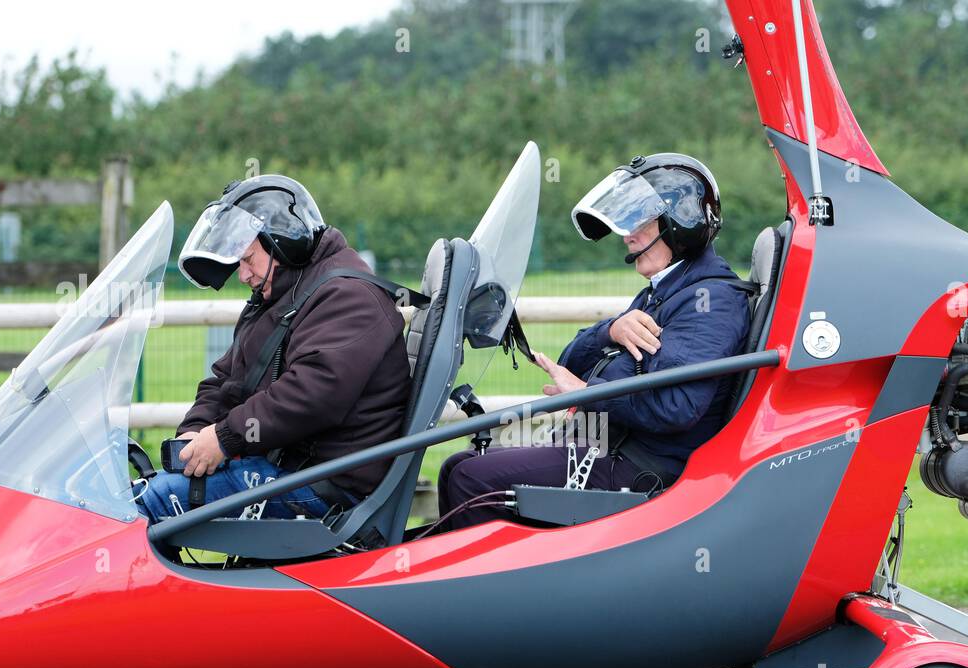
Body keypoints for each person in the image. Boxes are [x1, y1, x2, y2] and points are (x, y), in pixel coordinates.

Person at [435, 152, 751, 531]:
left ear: (681, 222)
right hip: (608, 446)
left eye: (642, 221)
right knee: (457, 465)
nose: (627, 234)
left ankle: (485, 586)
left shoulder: (710, 302)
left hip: (641, 468)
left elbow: (677, 406)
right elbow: (572, 363)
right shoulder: (667, 290)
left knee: (472, 480)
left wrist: (590, 391)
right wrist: (610, 330)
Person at [135, 174, 411, 523]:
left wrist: (224, 438)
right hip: (291, 468)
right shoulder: (286, 293)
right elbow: (226, 379)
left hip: (328, 488)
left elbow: (311, 397)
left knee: (150, 504)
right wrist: (195, 430)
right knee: (136, 495)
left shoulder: (347, 297)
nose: (243, 274)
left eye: (248, 259)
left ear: (283, 241)